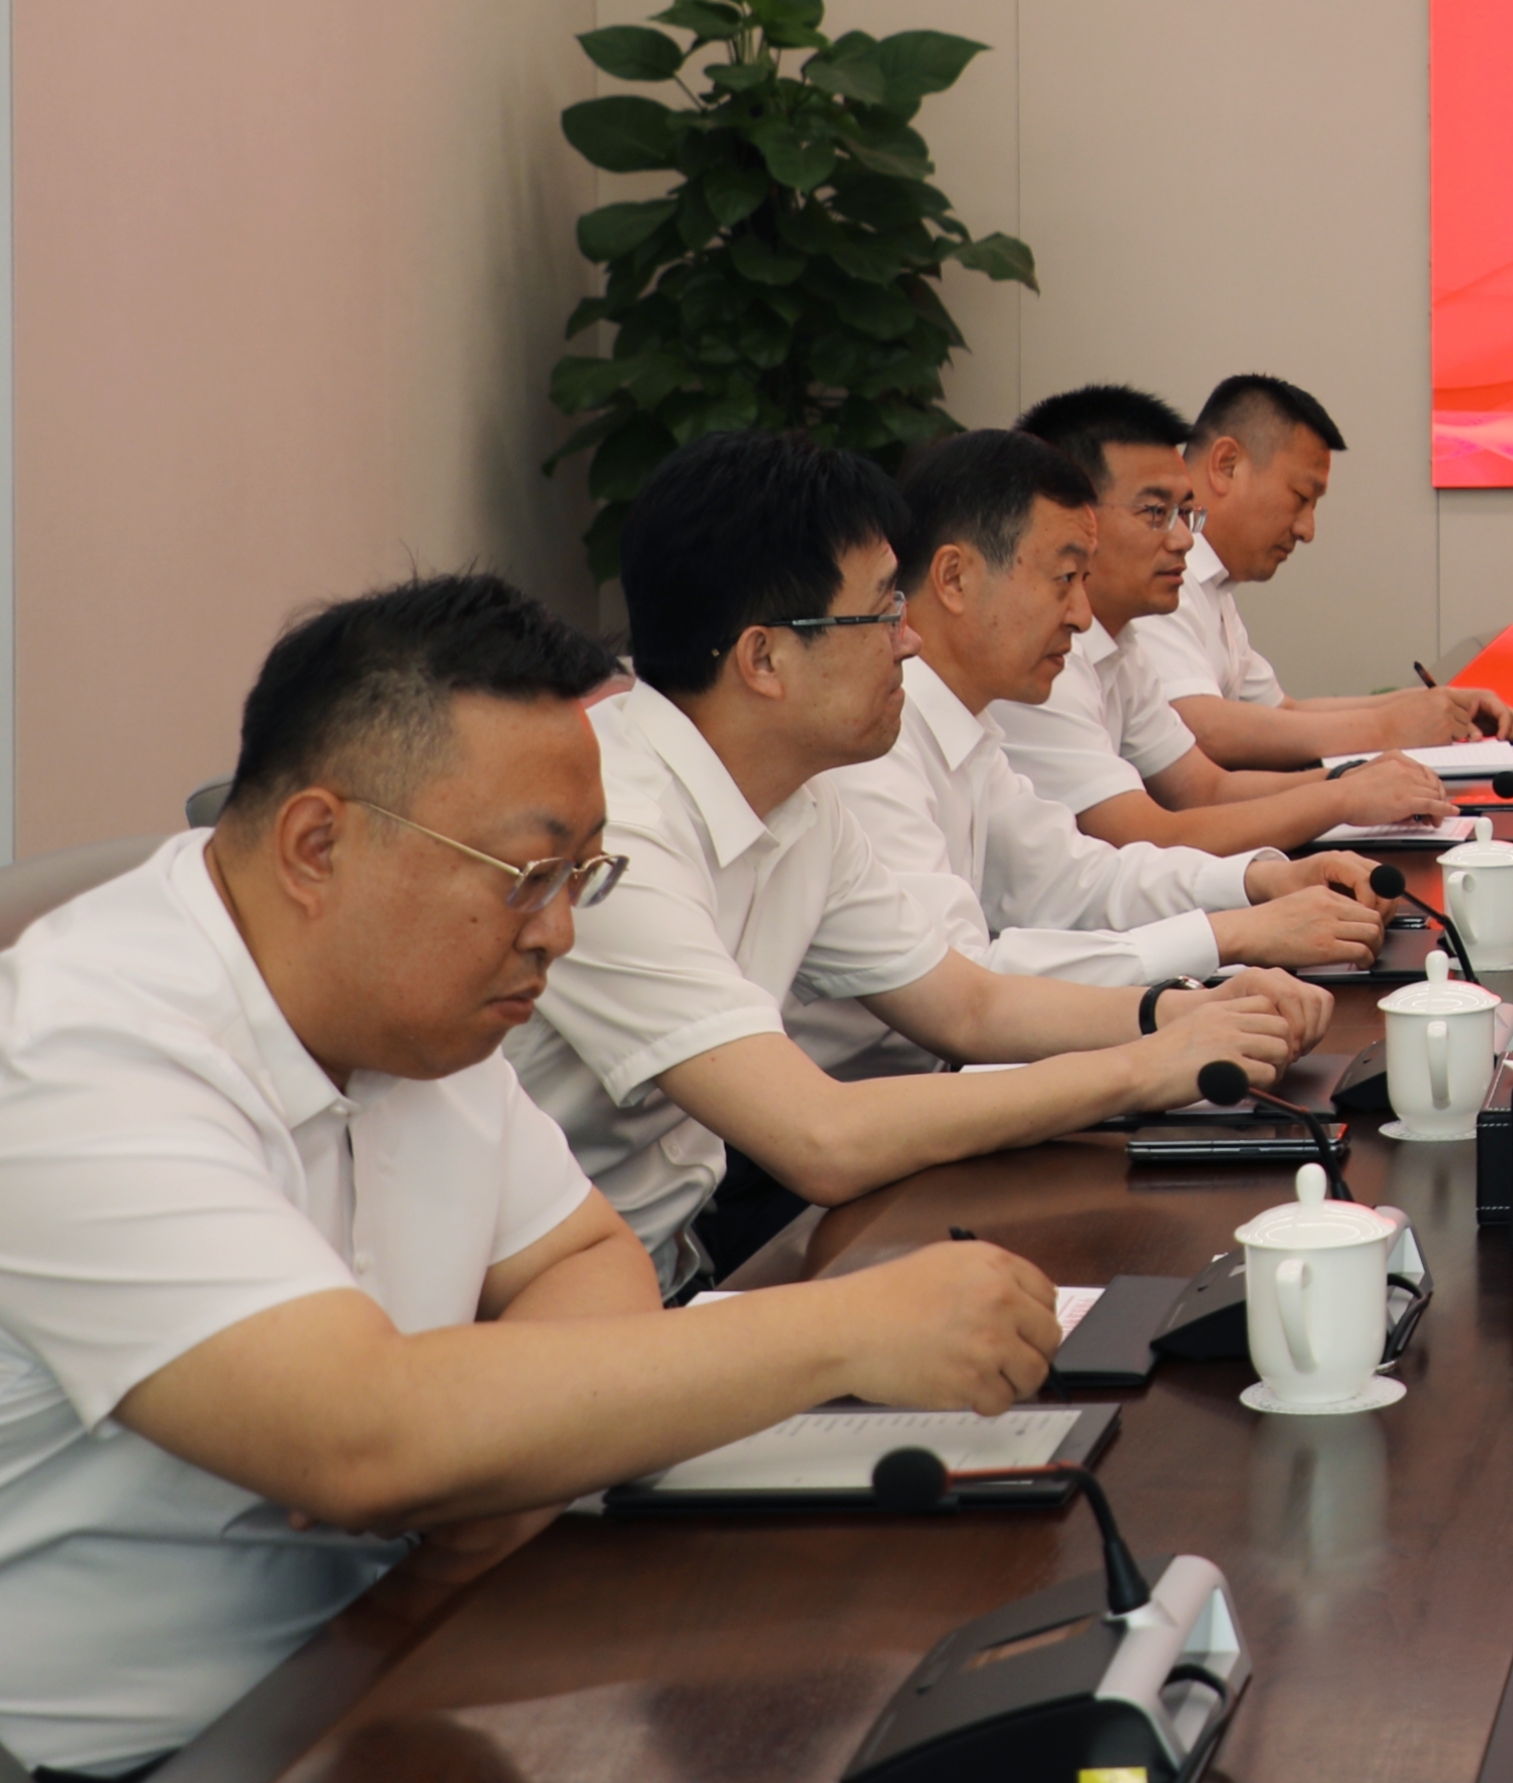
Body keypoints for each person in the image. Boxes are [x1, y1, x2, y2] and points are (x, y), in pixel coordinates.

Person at [0, 576, 1067, 1777]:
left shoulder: (415, 1004)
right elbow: (358, 1434)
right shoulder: (77, 1052)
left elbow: (585, 1251)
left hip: (413, 1642)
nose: (560, 928)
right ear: (316, 844)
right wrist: (847, 1329)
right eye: (528, 872)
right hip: (167, 1746)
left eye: (583, 874)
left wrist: (493, 1461)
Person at [507, 430, 1327, 1294]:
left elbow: (967, 1005)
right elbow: (819, 1137)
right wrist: (1146, 1064)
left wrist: (1183, 1012)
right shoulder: (614, 835)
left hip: (681, 1257)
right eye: (881, 615)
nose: (908, 642)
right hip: (582, 1304)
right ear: (764, 658)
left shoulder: (801, 796)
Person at [799, 431, 1411, 1079]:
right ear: (954, 578)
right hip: (882, 1101)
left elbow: (1075, 878)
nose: (1081, 616)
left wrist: (1256, 883)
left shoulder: (963, 724)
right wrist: (1224, 940)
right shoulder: (868, 748)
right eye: (1065, 580)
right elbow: (966, 989)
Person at [998, 386, 1469, 851]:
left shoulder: (1122, 645)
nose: (1184, 540)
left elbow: (1205, 789)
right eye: (1157, 513)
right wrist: (1344, 793)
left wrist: (1354, 780)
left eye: (1184, 514)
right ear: (1074, 521)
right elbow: (1149, 834)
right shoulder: (1036, 656)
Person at [1131, 373, 1508, 767]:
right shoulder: (1162, 575)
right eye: (1300, 497)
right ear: (1227, 465)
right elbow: (1199, 728)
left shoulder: (1213, 587)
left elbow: (1282, 712)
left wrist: (1435, 706)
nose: (1307, 530)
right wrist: (1387, 729)